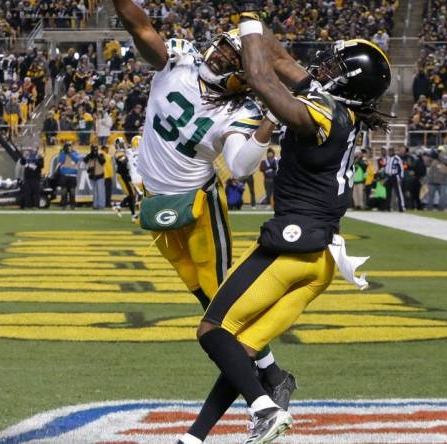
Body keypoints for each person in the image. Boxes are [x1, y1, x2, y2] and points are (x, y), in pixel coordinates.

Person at [191, 11, 392, 443]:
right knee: (241, 352)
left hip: (290, 249)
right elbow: (279, 59)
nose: (324, 66)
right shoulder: (340, 112)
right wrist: (257, 28)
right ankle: (193, 439)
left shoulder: (322, 114)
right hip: (319, 262)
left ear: (349, 79)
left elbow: (264, 79)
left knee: (212, 331)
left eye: (337, 66)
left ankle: (264, 409)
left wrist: (247, 22)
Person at [112, 2, 296, 440]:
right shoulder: (176, 64)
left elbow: (241, 164)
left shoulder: (241, 111)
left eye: (233, 58)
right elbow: (140, 27)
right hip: (157, 207)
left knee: (220, 313)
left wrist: (270, 117)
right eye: (221, 49)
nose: (219, 56)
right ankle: (272, 375)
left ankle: (263, 402)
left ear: (244, 75)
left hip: (197, 210)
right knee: (205, 299)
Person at [113, 138, 138, 222]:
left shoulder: (124, 152)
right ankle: (133, 215)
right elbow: (123, 161)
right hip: (122, 176)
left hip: (126, 175)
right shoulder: (118, 153)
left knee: (133, 195)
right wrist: (127, 155)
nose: (123, 145)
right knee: (132, 195)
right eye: (122, 144)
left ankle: (119, 206)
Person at [56, 142, 82, 209]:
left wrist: (70, 153)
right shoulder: (62, 153)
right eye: (68, 146)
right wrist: (64, 153)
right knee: (64, 190)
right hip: (64, 175)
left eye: (70, 146)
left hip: (73, 175)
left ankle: (72, 205)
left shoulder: (75, 153)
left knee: (72, 191)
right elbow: (60, 161)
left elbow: (77, 159)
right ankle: (64, 205)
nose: (69, 148)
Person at [84, 144, 107, 209]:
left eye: (96, 149)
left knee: (100, 191)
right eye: (94, 149)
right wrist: (91, 154)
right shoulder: (90, 156)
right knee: (95, 192)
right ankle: (95, 204)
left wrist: (97, 155)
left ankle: (101, 205)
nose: (95, 150)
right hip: (92, 176)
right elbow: (85, 160)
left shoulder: (100, 155)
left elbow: (103, 161)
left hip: (100, 175)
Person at [384, 146, 405, 211]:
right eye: (389, 151)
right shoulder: (387, 158)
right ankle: (388, 207)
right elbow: (386, 167)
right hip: (388, 176)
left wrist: (401, 177)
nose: (390, 152)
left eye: (391, 151)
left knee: (398, 192)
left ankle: (401, 206)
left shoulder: (397, 158)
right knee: (388, 193)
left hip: (395, 176)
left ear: (393, 151)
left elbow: (401, 169)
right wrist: (385, 176)